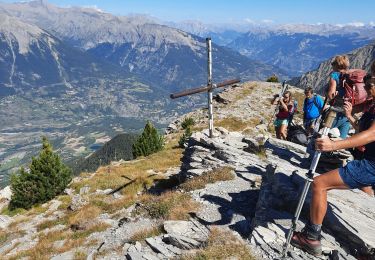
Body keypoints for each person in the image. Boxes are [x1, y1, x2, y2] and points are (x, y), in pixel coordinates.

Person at [290, 73, 375, 256]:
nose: (366, 90)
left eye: (370, 86)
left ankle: (311, 237)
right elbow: (363, 129)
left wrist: (334, 145)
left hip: (371, 165)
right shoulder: (372, 104)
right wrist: (349, 114)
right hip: (369, 161)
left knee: (319, 184)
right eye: (365, 85)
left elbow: (371, 135)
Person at [327, 55, 351, 139]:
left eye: (333, 63)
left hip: (336, 111)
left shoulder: (335, 75)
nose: (332, 65)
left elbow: (331, 95)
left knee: (323, 132)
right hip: (348, 111)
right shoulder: (350, 75)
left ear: (337, 65)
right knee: (341, 139)